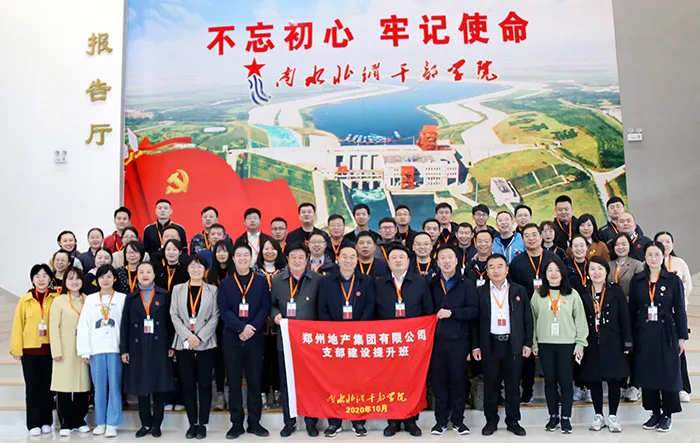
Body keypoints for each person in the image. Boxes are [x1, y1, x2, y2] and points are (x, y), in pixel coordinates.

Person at [375, 245, 434, 437]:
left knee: (412, 381)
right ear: (388, 262)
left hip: (412, 342)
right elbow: (374, 313)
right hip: (388, 342)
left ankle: (411, 420)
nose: (398, 260)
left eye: (402, 257)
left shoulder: (420, 282)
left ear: (409, 261)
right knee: (390, 380)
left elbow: (427, 310)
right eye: (394, 257)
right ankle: (393, 420)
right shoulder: (380, 283)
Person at [629, 242, 687, 432]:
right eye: (649, 255)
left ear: (663, 256)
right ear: (644, 257)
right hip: (644, 332)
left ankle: (667, 414)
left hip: (666, 332)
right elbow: (632, 310)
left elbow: (680, 310)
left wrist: (682, 337)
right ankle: (654, 412)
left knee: (668, 373)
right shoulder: (638, 280)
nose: (653, 258)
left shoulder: (673, 280)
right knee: (647, 372)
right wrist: (630, 337)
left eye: (657, 255)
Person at [318, 246, 376, 437]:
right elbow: (322, 308)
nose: (348, 260)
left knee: (358, 381)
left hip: (358, 339)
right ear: (338, 259)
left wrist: (357, 329)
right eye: (345, 256)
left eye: (352, 257)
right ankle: (334, 422)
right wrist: (335, 331)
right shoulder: (326, 281)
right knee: (334, 381)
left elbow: (370, 306)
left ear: (357, 260)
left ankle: (358, 421)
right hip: (335, 340)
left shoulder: (366, 281)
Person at [471, 254, 531, 437]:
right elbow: (475, 322)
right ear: (487, 271)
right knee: (491, 385)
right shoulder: (480, 292)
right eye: (491, 267)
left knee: (513, 385)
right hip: (490, 344)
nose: (496, 270)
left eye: (499, 266)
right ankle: (491, 421)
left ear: (507, 270)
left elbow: (527, 319)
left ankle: (513, 421)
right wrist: (475, 346)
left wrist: (527, 343)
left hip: (512, 343)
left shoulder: (519, 291)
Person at [218, 243, 271, 439]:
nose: (242, 258)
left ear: (251, 258)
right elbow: (224, 310)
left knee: (254, 382)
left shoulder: (261, 281)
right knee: (233, 383)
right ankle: (236, 424)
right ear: (233, 259)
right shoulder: (225, 283)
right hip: (232, 339)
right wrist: (241, 328)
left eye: (245, 255)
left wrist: (251, 328)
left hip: (254, 339)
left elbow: (264, 308)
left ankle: (254, 422)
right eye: (238, 255)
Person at [531, 256, 588, 434]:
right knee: (549, 382)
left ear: (563, 273)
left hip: (567, 344)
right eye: (550, 271)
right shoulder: (538, 295)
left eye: (557, 270)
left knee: (565, 382)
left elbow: (580, 320)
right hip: (545, 344)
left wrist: (580, 343)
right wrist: (534, 344)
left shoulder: (572, 294)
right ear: (545, 274)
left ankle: (566, 417)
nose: (553, 274)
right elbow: (532, 321)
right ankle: (553, 415)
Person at [270, 243, 322, 437]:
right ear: (287, 259)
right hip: (286, 341)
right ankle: (289, 422)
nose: (297, 261)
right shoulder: (277, 280)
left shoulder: (317, 280)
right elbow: (272, 305)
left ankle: (311, 422)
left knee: (311, 383)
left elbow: (321, 308)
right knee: (286, 383)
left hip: (310, 343)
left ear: (307, 259)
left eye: (301, 257)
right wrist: (275, 315)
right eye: (293, 257)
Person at [120, 261, 175, 438]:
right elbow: (124, 325)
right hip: (137, 346)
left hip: (159, 345)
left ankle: (157, 424)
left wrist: (171, 345)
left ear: (154, 275)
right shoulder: (131, 297)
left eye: (148, 271)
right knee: (141, 387)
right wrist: (124, 349)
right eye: (141, 272)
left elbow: (169, 322)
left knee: (159, 386)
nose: (145, 275)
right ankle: (145, 423)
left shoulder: (164, 295)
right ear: (137, 275)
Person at [428, 246, 478, 436]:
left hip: (459, 341)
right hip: (436, 342)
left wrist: (452, 313)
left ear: (457, 261)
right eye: (442, 258)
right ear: (437, 262)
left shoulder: (466, 284)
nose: (446, 261)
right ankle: (440, 421)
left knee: (458, 381)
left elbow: (474, 310)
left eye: (450, 257)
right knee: (439, 382)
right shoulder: (431, 284)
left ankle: (458, 421)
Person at [579, 257, 632, 433]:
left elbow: (625, 318)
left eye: (600, 269)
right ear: (588, 273)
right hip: (591, 342)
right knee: (594, 379)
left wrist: (627, 343)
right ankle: (598, 415)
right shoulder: (583, 293)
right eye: (592, 269)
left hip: (613, 342)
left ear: (606, 271)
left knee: (613, 379)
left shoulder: (616, 291)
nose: (596, 273)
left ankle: (613, 415)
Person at [171, 256, 220, 439]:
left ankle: (203, 424)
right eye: (192, 266)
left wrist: (199, 337)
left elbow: (215, 316)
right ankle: (192, 423)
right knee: (188, 384)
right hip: (184, 343)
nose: (196, 269)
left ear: (205, 270)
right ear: (187, 269)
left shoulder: (213, 290)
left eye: (199, 266)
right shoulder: (177, 289)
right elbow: (174, 315)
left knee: (205, 385)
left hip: (205, 343)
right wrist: (188, 336)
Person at [76, 264, 127, 438]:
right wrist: (84, 350)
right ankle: (101, 421)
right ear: (97, 280)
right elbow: (84, 325)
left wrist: (125, 349)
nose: (105, 280)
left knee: (114, 386)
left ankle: (112, 422)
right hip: (96, 349)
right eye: (102, 277)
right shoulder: (90, 299)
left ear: (114, 279)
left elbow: (125, 326)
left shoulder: (122, 298)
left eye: (109, 276)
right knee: (99, 387)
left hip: (115, 348)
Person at [508, 224, 556, 404]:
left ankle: (554, 390)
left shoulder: (552, 259)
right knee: (526, 351)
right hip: (525, 312)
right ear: (522, 240)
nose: (531, 238)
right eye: (526, 236)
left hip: (550, 311)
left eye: (534, 234)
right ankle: (527, 391)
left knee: (550, 350)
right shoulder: (517, 262)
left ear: (541, 237)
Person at [11, 264, 58, 436]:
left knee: (48, 388)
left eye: (45, 275)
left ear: (50, 278)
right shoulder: (25, 300)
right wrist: (16, 349)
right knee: (32, 388)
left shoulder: (55, 298)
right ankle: (33, 423)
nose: (41, 279)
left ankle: (46, 421)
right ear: (32, 279)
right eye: (37, 276)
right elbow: (18, 325)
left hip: (50, 351)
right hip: (30, 351)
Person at [50, 268, 92, 436]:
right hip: (65, 350)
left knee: (83, 386)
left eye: (77, 279)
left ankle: (79, 419)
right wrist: (56, 351)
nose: (74, 282)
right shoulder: (59, 301)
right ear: (65, 282)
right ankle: (66, 422)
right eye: (70, 279)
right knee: (64, 387)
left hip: (83, 351)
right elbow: (53, 327)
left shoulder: (88, 300)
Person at [655, 231, 693, 402]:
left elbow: (688, 286)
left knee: (678, 351)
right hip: (656, 315)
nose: (664, 244)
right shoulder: (650, 262)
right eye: (660, 241)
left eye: (667, 241)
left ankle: (682, 387)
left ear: (673, 245)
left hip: (676, 313)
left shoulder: (679, 262)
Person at [253, 238, 286, 410]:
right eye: (266, 248)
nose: (269, 251)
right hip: (259, 323)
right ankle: (263, 392)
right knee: (262, 360)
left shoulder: (285, 270)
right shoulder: (254, 270)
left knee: (278, 359)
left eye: (273, 248)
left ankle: (279, 391)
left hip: (281, 322)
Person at [608, 232, 645, 299]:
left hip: (629, 302)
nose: (620, 247)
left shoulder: (637, 265)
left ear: (630, 245)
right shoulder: (608, 265)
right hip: (611, 302)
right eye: (617, 244)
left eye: (624, 244)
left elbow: (640, 288)